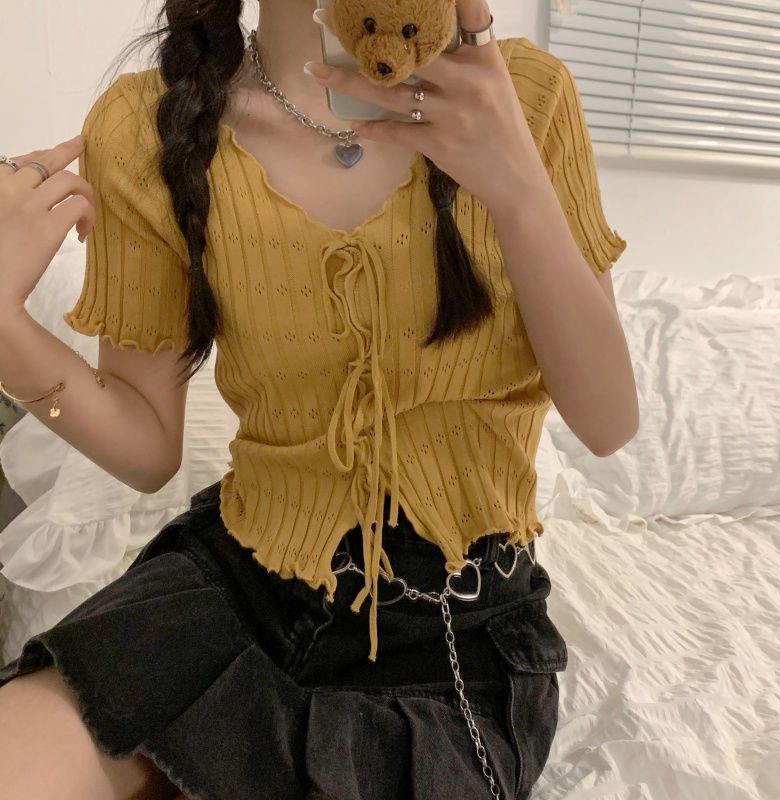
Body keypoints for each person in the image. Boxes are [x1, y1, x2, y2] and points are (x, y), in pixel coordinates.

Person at [0, 0, 638, 797]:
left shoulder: (522, 94)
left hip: (453, 625)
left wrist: (515, 186)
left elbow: (608, 421)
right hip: (242, 582)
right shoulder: (149, 123)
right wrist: (5, 331)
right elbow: (146, 447)